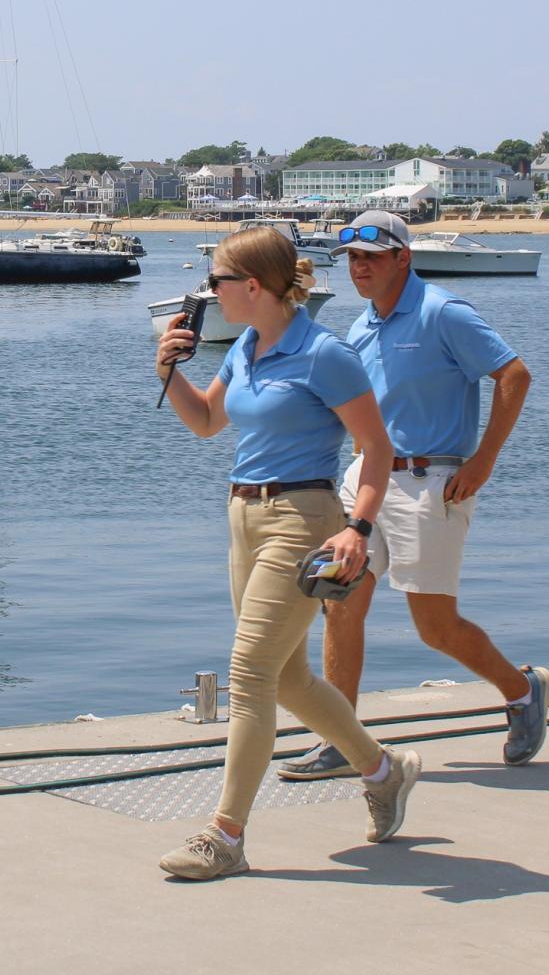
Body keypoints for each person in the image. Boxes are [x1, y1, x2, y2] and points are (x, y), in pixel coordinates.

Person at [154, 224, 422, 880]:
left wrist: (356, 530)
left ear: (251, 287)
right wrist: (167, 369)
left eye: (214, 281)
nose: (206, 292)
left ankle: (225, 835)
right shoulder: (246, 343)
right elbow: (208, 423)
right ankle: (385, 771)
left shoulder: (323, 354)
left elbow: (377, 449)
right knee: (288, 678)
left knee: (249, 676)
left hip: (304, 518)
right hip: (243, 514)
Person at [279, 209, 549, 782]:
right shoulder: (362, 327)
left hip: (433, 481)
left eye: (371, 258)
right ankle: (340, 738)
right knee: (339, 602)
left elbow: (514, 375)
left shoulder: (442, 312)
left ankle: (522, 690)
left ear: (403, 257)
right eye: (352, 258)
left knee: (434, 627)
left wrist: (483, 460)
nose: (359, 268)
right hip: (366, 480)